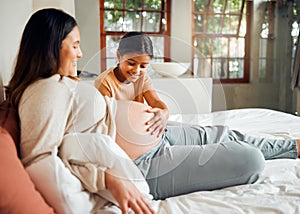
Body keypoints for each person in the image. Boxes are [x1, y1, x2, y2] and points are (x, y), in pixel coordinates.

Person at [94, 31, 300, 199]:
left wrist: (163, 113)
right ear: (118, 56)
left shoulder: (141, 74)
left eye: (143, 65)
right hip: (144, 158)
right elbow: (103, 134)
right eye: (131, 63)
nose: (137, 70)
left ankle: (292, 148)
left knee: (222, 133)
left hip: (158, 132)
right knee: (248, 157)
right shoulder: (104, 84)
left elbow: (155, 101)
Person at [6, 8, 154, 214]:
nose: (80, 53)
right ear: (52, 47)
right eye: (75, 45)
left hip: (154, 138)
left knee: (214, 139)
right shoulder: (44, 90)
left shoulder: (55, 83)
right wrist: (104, 178)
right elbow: (42, 158)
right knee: (215, 154)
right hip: (145, 160)